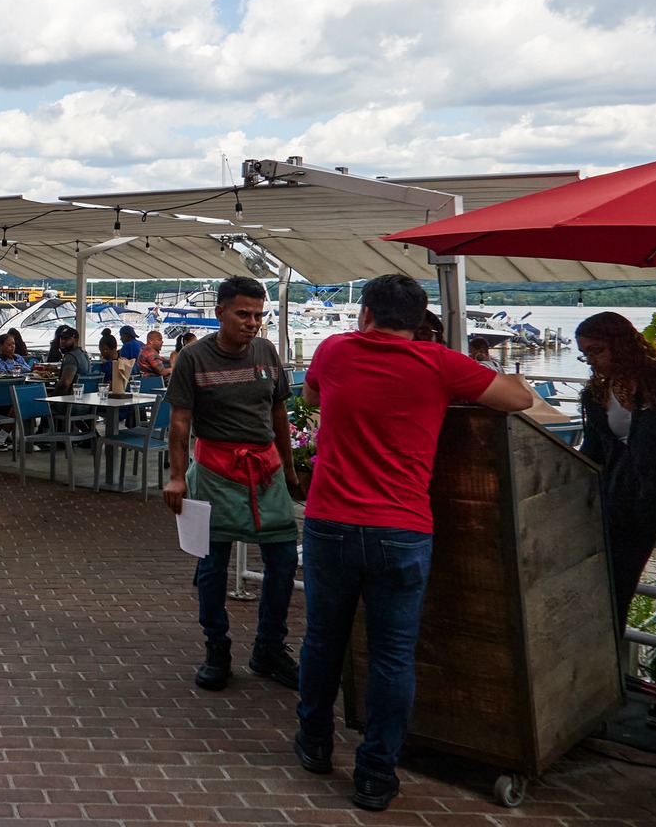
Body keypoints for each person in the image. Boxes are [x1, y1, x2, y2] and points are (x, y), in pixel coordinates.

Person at [293, 275, 530, 811]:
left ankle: (314, 743)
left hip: (330, 522)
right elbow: (519, 398)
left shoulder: (333, 350)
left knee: (322, 641)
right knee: (393, 656)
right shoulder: (440, 365)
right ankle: (375, 774)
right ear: (422, 320)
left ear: (366, 314)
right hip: (401, 529)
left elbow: (310, 395)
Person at [162, 277, 300, 695]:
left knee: (282, 561)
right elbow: (181, 422)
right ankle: (216, 649)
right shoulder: (193, 357)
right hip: (215, 470)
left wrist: (291, 471)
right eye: (243, 314)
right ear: (220, 311)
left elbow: (278, 415)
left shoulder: (266, 351)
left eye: (258, 315)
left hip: (266, 469)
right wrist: (175, 475)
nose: (252, 323)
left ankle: (269, 648)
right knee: (212, 566)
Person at [577, 311, 656, 733]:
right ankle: (600, 683)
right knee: (614, 590)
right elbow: (594, 450)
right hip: (624, 502)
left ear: (621, 345)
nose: (591, 361)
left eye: (597, 351)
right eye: (585, 354)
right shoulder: (596, 394)